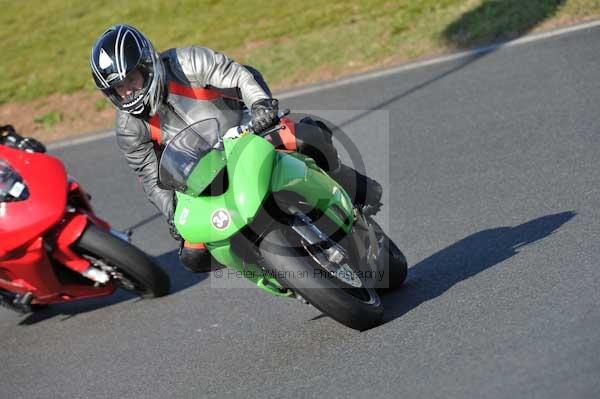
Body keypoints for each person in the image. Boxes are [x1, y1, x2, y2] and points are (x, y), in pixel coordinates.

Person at [89, 24, 382, 273]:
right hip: (200, 173)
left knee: (307, 137)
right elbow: (151, 179)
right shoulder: (128, 127)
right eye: (119, 88)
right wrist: (172, 213)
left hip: (246, 128)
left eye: (131, 80)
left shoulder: (185, 62)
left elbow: (238, 75)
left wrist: (260, 106)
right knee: (193, 255)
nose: (127, 92)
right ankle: (272, 269)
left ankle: (354, 191)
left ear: (147, 65)